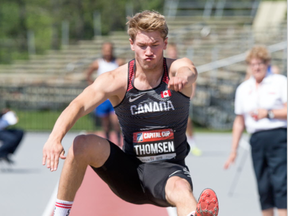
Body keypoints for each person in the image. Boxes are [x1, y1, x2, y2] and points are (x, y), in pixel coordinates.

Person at [43, 10, 219, 216]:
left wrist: (183, 76)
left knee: (182, 190)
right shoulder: (117, 79)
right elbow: (79, 104)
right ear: (132, 44)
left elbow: (189, 69)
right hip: (129, 172)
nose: (148, 51)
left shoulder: (175, 70)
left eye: (155, 45)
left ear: (165, 43)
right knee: (81, 144)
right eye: (143, 45)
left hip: (169, 171)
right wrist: (54, 138)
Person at [224, 45, 287, 216]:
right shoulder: (244, 88)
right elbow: (239, 121)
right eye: (253, 64)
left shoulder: (280, 81)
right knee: (263, 185)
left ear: (267, 63)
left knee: (281, 183)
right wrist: (233, 150)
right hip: (257, 139)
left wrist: (269, 113)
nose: (256, 67)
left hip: (278, 136)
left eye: (260, 63)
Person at [86, 42, 124, 146]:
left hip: (114, 98)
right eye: (105, 50)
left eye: (109, 50)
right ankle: (108, 145)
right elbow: (88, 75)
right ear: (102, 50)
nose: (107, 52)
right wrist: (94, 86)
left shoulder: (118, 62)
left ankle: (120, 143)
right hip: (102, 99)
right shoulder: (98, 63)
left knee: (116, 123)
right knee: (106, 125)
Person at [166, 43, 202, 156]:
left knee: (187, 121)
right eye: (170, 52)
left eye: (174, 52)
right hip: (167, 98)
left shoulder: (182, 64)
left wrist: (190, 95)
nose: (172, 54)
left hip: (181, 98)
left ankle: (192, 143)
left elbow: (192, 79)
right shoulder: (164, 66)